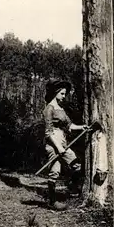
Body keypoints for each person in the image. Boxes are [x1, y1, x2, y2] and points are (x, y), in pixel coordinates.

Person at [43, 79, 88, 210]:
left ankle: (73, 191)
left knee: (76, 164)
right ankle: (52, 202)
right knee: (55, 172)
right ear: (55, 93)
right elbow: (48, 133)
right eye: (62, 94)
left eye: (65, 94)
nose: (64, 96)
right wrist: (59, 148)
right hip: (53, 143)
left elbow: (70, 125)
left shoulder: (60, 108)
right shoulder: (49, 109)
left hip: (62, 140)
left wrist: (82, 127)